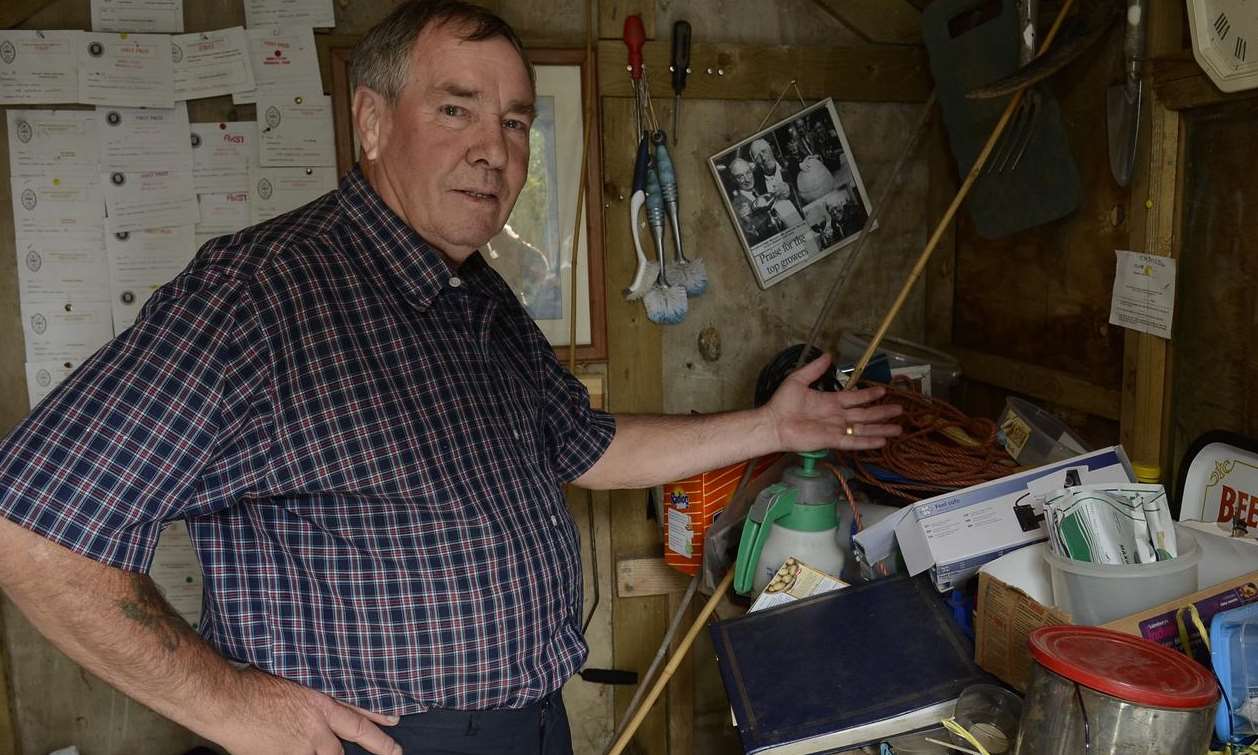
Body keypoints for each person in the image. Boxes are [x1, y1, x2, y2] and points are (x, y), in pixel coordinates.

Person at [0, 3, 903, 754]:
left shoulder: (477, 293)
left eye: (514, 123)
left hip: (533, 722)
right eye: (456, 110)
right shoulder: (261, 294)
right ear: (370, 122)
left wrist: (774, 428)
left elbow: (589, 447)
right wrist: (231, 705)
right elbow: (29, 531)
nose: (495, 150)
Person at [749, 138, 803, 220]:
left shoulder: (791, 164)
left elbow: (807, 189)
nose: (763, 158)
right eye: (758, 157)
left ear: (771, 150)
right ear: (755, 162)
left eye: (764, 151)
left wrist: (789, 189)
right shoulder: (757, 183)